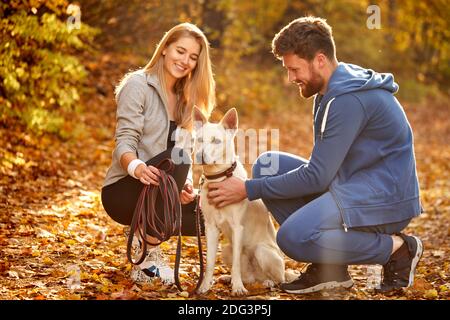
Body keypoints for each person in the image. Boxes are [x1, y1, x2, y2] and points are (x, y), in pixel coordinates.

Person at [207, 16, 423, 294]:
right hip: (355, 187)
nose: (290, 78)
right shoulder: (331, 90)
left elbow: (317, 177)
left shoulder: (347, 99)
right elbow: (321, 169)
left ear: (320, 60)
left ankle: (398, 250)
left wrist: (247, 189)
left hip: (384, 199)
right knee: (267, 166)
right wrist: (255, 185)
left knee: (293, 237)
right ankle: (329, 267)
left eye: (294, 69)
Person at [101, 23, 214, 285]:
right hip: (125, 189)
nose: (185, 61)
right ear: (165, 48)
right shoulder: (138, 85)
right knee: (181, 153)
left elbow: (181, 160)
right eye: (180, 51)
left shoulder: (186, 98)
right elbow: (124, 142)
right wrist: (137, 167)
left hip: (161, 189)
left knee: (208, 217)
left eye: (193, 57)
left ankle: (145, 234)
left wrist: (184, 185)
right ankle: (147, 258)